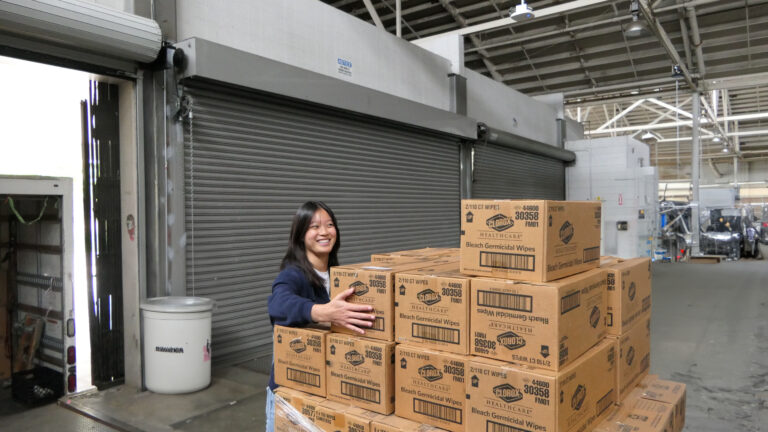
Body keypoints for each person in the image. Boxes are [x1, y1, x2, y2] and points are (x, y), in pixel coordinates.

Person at [264, 201, 375, 430]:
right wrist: (322, 311)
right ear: (300, 235)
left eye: (330, 225)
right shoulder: (293, 275)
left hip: (324, 393)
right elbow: (278, 304)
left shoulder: (338, 277)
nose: (324, 232)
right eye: (314, 226)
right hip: (290, 394)